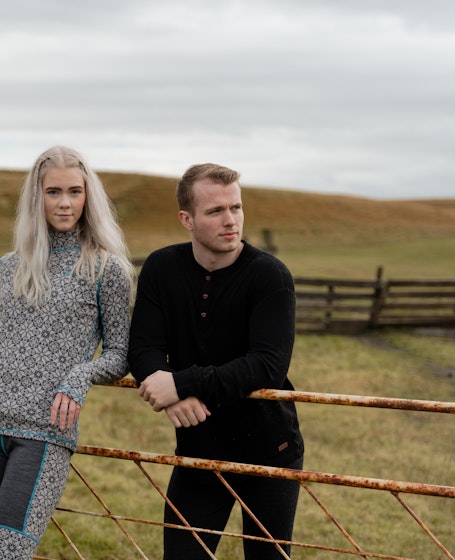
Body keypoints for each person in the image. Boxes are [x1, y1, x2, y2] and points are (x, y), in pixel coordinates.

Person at [0, 145, 133, 559]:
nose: (64, 203)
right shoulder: (7, 267)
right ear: (37, 196)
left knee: (7, 554)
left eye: (74, 192)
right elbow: (8, 341)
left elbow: (120, 353)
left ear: (89, 196)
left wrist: (80, 376)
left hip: (43, 432)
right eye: (53, 192)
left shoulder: (106, 270)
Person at [127, 162, 304, 558]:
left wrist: (181, 383)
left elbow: (266, 366)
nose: (231, 220)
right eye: (215, 211)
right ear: (186, 219)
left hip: (268, 451)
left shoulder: (270, 275)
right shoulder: (161, 267)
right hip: (198, 449)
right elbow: (142, 347)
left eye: (236, 208)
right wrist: (173, 393)